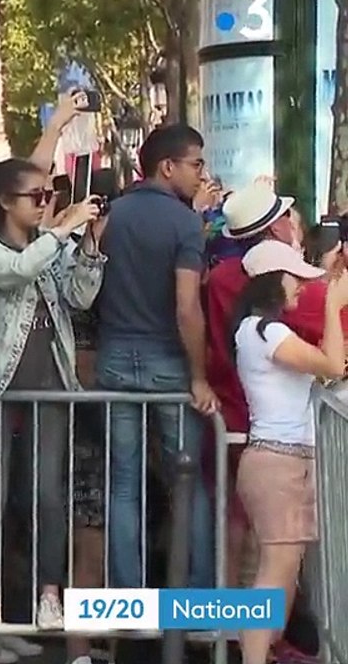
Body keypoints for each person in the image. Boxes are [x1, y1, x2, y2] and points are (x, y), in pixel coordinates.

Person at [0, 158, 106, 629]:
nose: (46, 204)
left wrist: (90, 241)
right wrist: (61, 232)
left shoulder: (51, 245)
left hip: (51, 379)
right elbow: (18, 270)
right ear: (6, 201)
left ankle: (49, 596)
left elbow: (81, 295)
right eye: (36, 196)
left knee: (47, 493)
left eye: (50, 196)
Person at [96, 124, 216, 590]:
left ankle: (129, 600)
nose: (201, 173)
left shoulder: (113, 216)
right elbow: (187, 307)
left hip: (114, 357)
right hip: (167, 359)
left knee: (123, 483)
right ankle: (197, 597)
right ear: (168, 166)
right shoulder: (185, 223)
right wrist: (199, 376)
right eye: (195, 164)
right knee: (187, 481)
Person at [230, 241, 348, 664]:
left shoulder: (257, 331)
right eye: (295, 279)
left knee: (279, 576)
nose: (301, 287)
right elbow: (332, 365)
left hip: (281, 463)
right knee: (274, 575)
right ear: (273, 280)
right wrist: (333, 303)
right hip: (279, 465)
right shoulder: (267, 332)